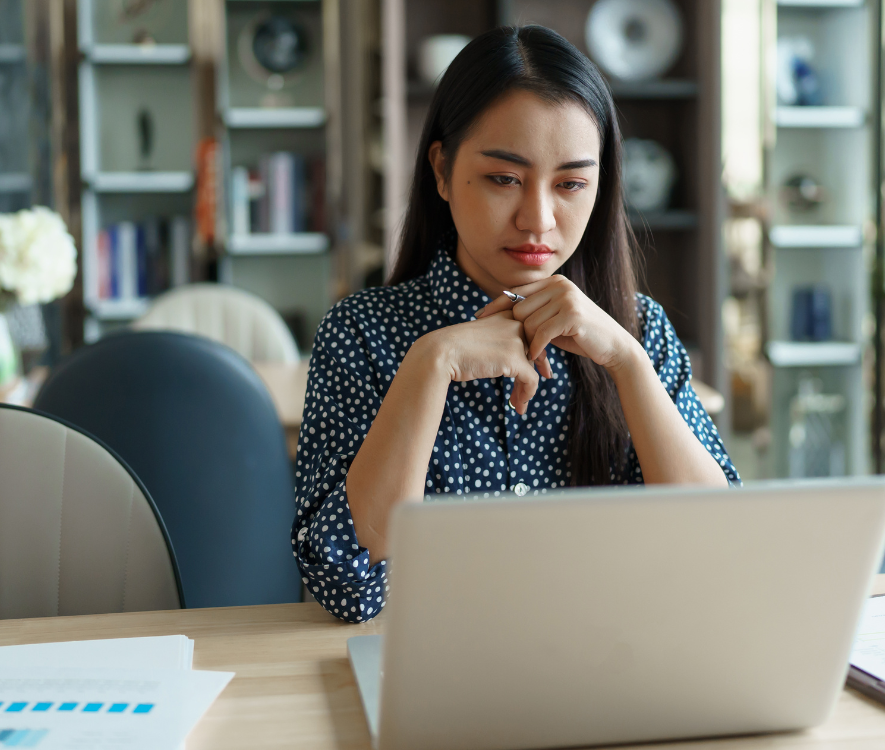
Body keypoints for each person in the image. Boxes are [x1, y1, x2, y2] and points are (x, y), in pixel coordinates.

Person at [293, 25, 739, 623]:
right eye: (504, 178)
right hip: (433, 675)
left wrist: (628, 363)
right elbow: (345, 584)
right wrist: (432, 365)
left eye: (572, 184)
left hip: (612, 667)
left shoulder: (639, 332)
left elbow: (718, 550)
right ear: (443, 171)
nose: (538, 218)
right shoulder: (363, 333)